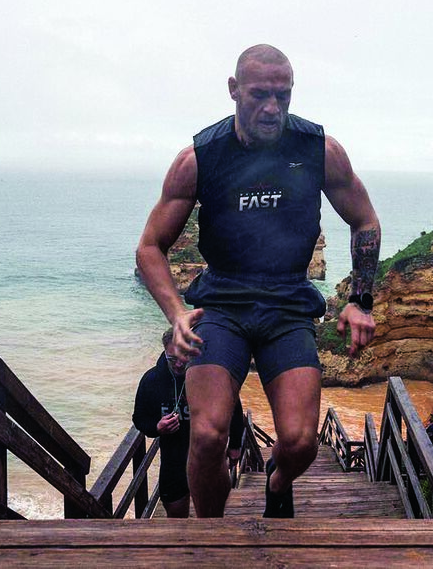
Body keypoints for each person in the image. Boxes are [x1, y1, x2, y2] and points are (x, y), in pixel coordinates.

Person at [136, 44, 381, 518]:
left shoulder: (319, 150)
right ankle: (212, 538)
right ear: (233, 91)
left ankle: (277, 480)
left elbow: (364, 220)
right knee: (206, 436)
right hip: (221, 304)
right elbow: (150, 247)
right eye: (260, 95)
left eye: (283, 96)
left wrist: (361, 300)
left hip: (288, 302)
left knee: (300, 441)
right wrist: (176, 313)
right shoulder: (200, 158)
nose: (272, 108)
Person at [132, 328, 245, 518]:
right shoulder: (151, 380)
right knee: (176, 518)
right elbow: (140, 419)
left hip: (209, 458)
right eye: (172, 358)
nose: (178, 364)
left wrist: (235, 446)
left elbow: (234, 409)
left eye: (184, 357)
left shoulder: (210, 377)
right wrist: (157, 427)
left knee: (212, 516)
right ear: (164, 352)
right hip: (173, 461)